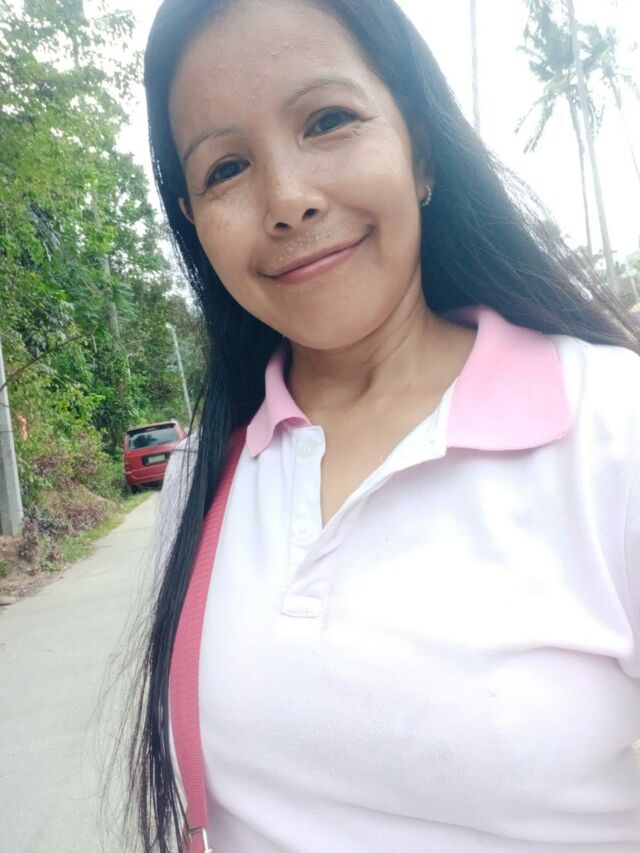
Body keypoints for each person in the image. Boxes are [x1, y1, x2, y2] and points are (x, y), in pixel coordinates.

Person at [126, 0, 640, 850]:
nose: (288, 201)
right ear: (194, 222)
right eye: (227, 168)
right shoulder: (197, 482)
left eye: (328, 120)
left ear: (419, 148)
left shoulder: (614, 427)